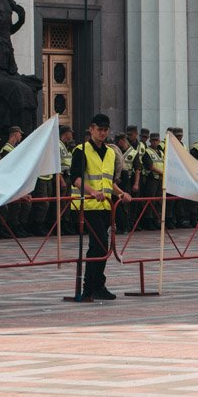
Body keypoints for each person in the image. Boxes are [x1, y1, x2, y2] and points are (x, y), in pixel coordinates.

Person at [69, 113, 131, 300]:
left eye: (105, 130)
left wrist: (120, 193)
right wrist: (92, 192)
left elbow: (108, 182)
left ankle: (97, 285)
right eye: (99, 129)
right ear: (91, 129)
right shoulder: (81, 150)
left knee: (100, 247)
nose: (102, 133)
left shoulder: (111, 152)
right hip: (86, 205)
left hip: (105, 206)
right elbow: (76, 179)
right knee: (100, 244)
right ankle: (90, 287)